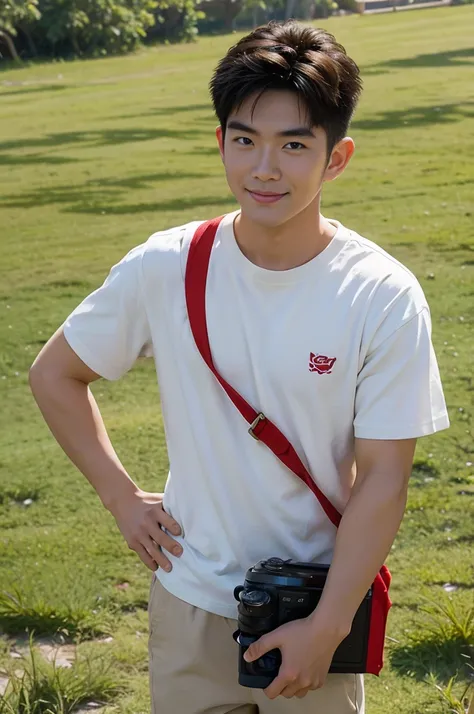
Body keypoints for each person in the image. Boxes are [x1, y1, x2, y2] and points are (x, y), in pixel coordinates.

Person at [29, 20, 450, 714]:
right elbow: (54, 374)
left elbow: (383, 476)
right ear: (219, 142)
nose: (264, 168)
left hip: (315, 607)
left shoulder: (380, 292)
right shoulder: (166, 266)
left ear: (336, 158)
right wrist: (119, 496)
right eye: (245, 140)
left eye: (294, 145)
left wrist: (331, 622)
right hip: (190, 602)